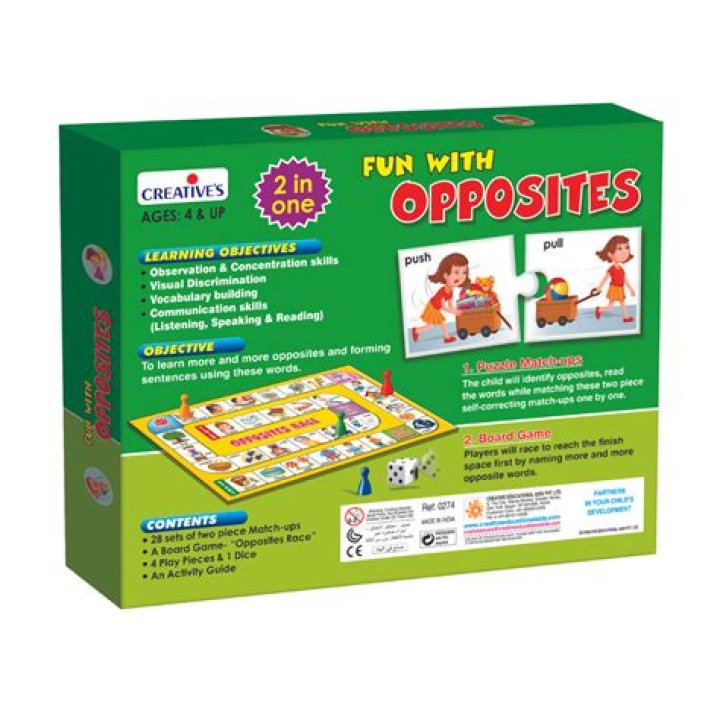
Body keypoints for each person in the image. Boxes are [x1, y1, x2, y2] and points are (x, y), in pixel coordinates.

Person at [412, 252, 469, 344]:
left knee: (429, 325)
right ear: (445, 275)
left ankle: (416, 330)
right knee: (441, 322)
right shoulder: (442, 291)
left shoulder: (451, 290)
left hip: (435, 307)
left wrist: (455, 310)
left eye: (464, 272)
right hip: (432, 308)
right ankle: (446, 337)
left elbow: (450, 305)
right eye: (456, 272)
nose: (461, 276)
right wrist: (454, 312)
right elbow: (443, 307)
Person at [594, 235, 636, 322]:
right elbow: (605, 279)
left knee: (618, 304)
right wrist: (598, 288)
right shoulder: (612, 269)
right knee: (612, 306)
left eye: (627, 247)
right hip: (614, 288)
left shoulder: (621, 269)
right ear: (609, 254)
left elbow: (625, 280)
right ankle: (600, 310)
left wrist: (631, 289)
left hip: (620, 288)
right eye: (619, 249)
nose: (625, 252)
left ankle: (624, 317)